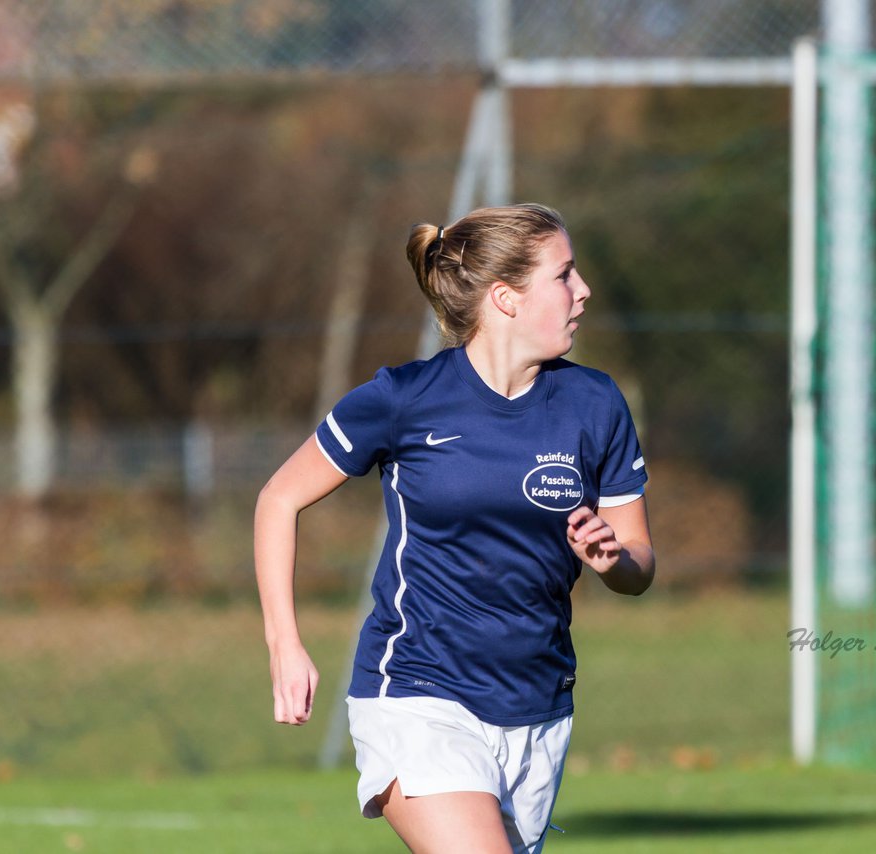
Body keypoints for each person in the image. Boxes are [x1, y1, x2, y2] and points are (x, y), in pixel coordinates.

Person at [254, 203, 655, 853]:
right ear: (506, 298)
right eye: (564, 275)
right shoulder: (403, 399)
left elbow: (639, 562)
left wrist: (615, 561)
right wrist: (284, 644)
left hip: (538, 704)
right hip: (416, 690)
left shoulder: (596, 403)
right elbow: (277, 499)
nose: (583, 291)